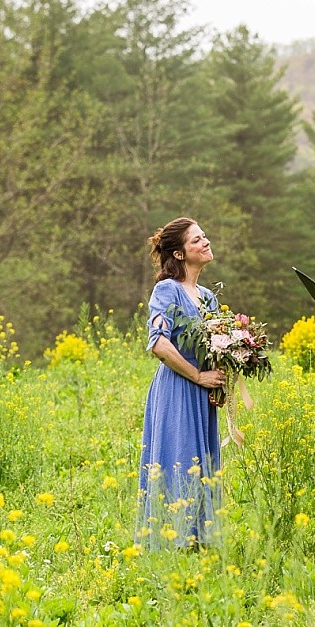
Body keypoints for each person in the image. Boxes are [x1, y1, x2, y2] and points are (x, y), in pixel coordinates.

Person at [138, 217, 226, 549]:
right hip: (177, 389)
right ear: (178, 253)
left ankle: (200, 542)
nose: (205, 242)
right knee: (180, 460)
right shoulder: (167, 290)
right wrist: (197, 376)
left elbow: (217, 346)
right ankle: (173, 541)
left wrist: (219, 382)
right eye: (196, 240)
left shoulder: (208, 297)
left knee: (202, 463)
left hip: (204, 393)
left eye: (205, 237)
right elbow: (158, 343)